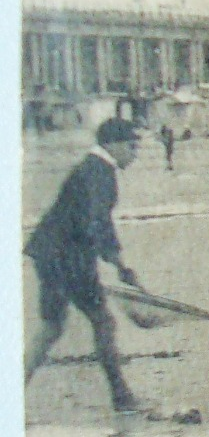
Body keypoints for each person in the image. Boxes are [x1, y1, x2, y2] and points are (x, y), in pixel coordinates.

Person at [23, 118, 144, 411]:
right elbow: (97, 222)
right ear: (112, 145)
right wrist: (119, 264)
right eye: (131, 146)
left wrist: (117, 262)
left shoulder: (92, 168)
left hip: (48, 253)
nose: (135, 153)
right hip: (69, 257)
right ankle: (121, 397)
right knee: (103, 321)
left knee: (51, 326)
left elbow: (97, 221)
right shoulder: (100, 172)